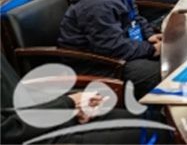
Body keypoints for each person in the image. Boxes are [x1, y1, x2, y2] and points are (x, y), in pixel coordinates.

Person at [58, 0, 161, 99]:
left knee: (171, 56)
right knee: (163, 70)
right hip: (98, 63)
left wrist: (148, 35)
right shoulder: (100, 4)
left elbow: (134, 16)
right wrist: (151, 49)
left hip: (118, 47)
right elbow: (111, 47)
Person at [1, 54, 163, 144]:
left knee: (156, 120)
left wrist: (71, 106)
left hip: (41, 120)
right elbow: (8, 131)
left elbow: (19, 95)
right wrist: (69, 103)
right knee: (158, 135)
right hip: (34, 136)